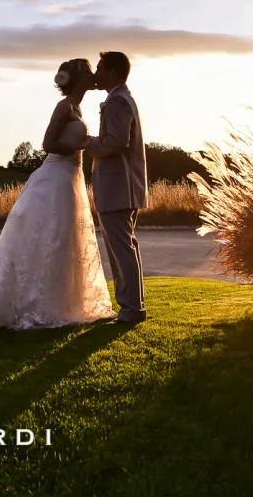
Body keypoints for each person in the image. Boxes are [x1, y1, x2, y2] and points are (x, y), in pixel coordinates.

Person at [0, 58, 115, 330]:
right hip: (56, 177)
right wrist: (79, 144)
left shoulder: (76, 108)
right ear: (77, 78)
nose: (93, 75)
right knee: (51, 237)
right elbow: (48, 144)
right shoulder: (64, 107)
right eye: (88, 70)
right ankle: (37, 305)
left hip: (71, 177)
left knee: (65, 240)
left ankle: (63, 303)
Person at [86, 51, 148, 323]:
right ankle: (133, 307)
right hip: (124, 187)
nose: (96, 74)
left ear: (112, 71)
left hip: (117, 187)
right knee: (126, 249)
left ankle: (132, 310)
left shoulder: (117, 101)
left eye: (100, 69)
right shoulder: (124, 98)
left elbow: (117, 141)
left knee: (122, 251)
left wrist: (87, 143)